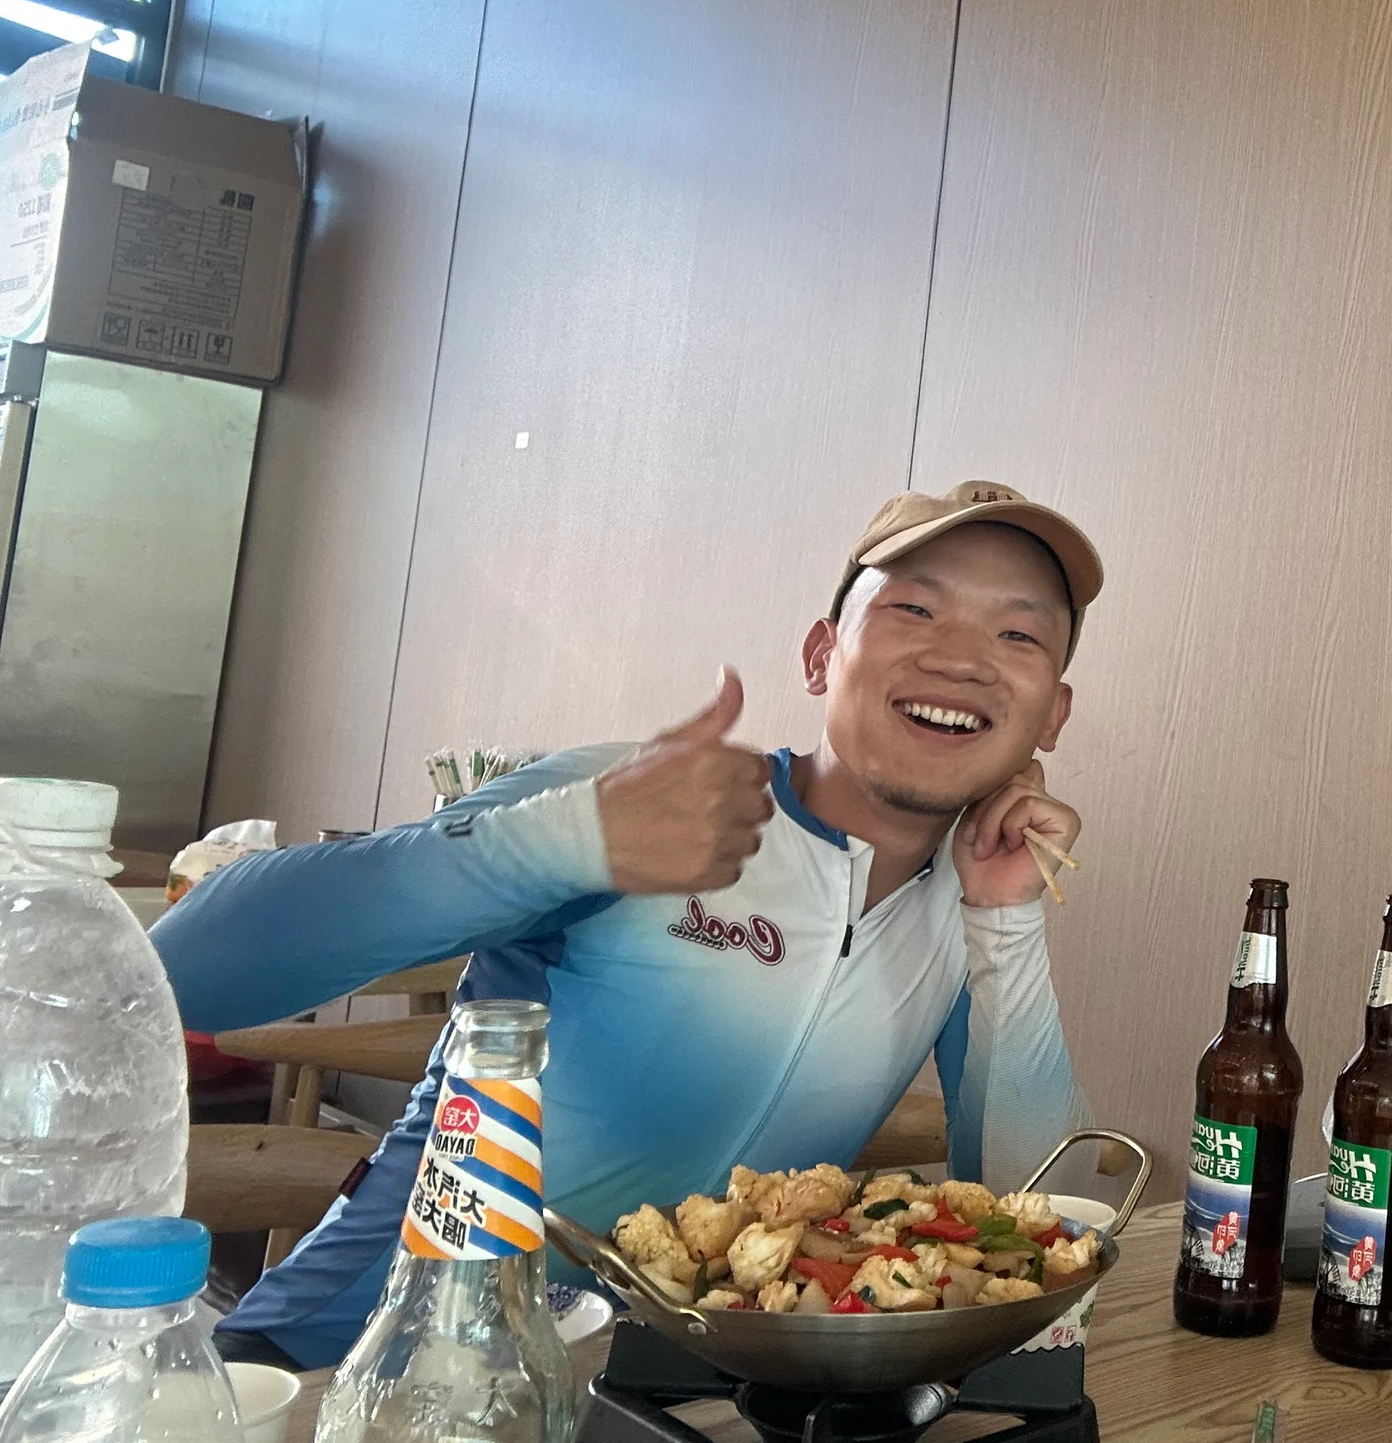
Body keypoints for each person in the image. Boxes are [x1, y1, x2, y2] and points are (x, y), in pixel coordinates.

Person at [155, 479, 1105, 1369]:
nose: (962, 659)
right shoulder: (646, 801)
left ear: (1052, 716)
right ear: (822, 654)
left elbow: (1053, 1227)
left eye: (1018, 635)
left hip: (664, 1397)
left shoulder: (970, 905)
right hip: (358, 1355)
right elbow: (179, 973)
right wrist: (568, 840)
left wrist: (1007, 924)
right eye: (916, 610)